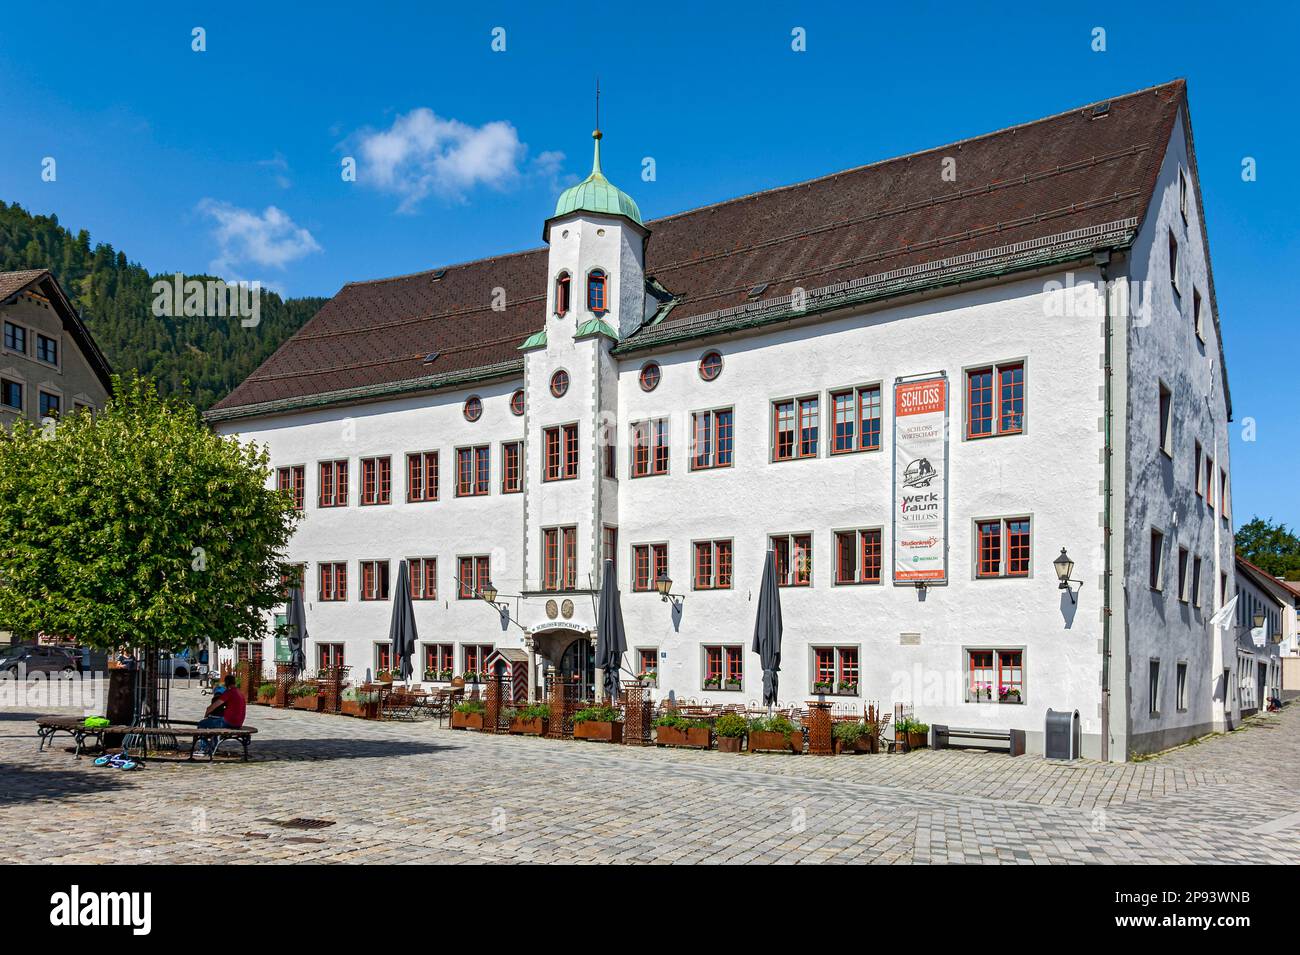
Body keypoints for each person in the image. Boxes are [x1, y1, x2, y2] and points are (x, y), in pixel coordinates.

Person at [197, 675, 246, 754]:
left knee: (202, 724)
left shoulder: (229, 692)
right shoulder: (240, 693)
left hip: (228, 722)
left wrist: (206, 714)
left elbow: (214, 706)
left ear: (226, 683)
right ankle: (213, 746)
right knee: (215, 724)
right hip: (239, 723)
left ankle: (204, 749)